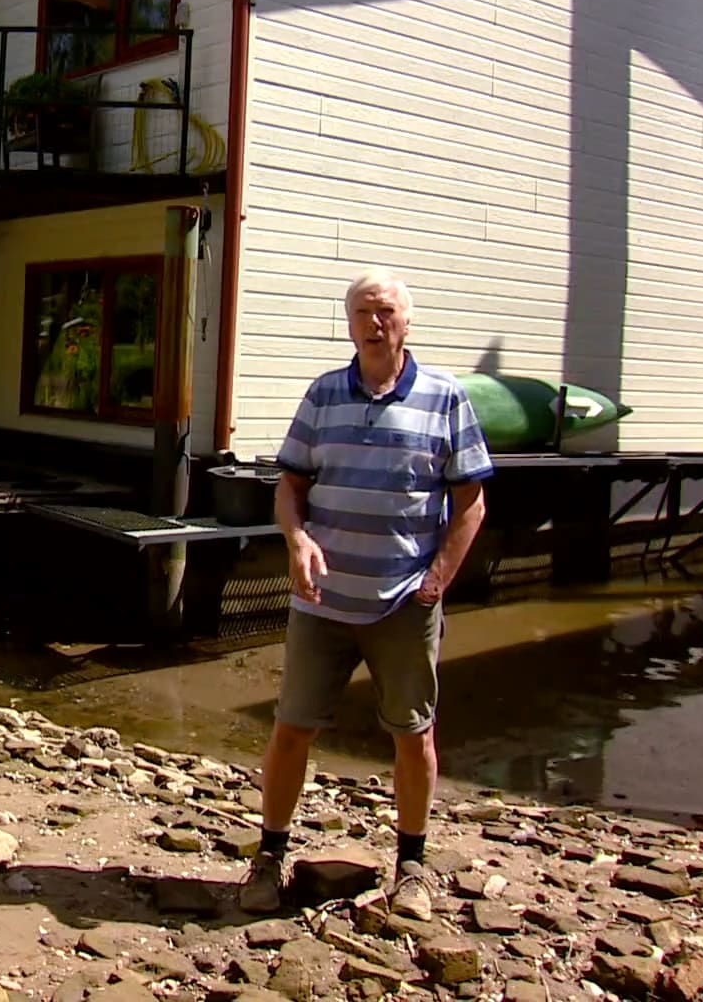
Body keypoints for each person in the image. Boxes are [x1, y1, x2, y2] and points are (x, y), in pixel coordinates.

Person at [238, 268, 492, 919]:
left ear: (407, 322)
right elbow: (289, 486)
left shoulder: (445, 397)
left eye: (386, 312)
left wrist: (437, 580)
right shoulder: (323, 395)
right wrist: (295, 541)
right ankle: (269, 855)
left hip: (405, 605)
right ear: (348, 323)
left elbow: (471, 503)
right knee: (291, 729)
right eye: (363, 313)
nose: (375, 324)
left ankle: (411, 866)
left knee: (413, 735)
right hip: (321, 604)